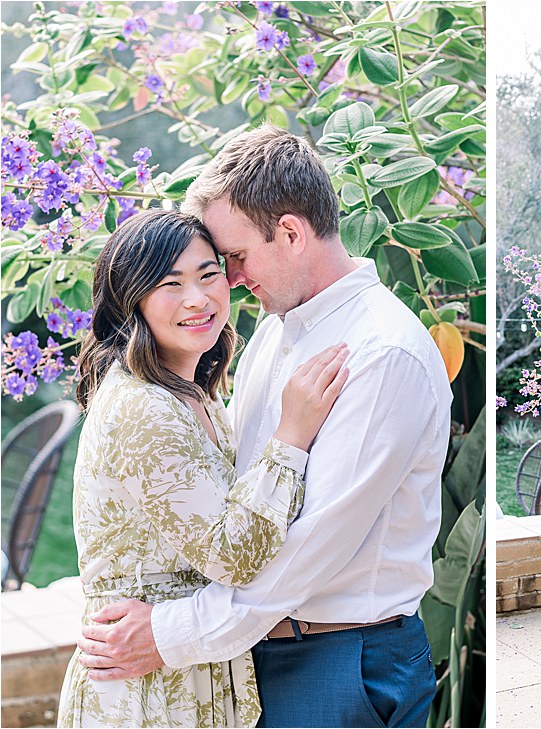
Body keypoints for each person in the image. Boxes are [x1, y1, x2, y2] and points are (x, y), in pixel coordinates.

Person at [75, 125, 453, 728]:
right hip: (254, 653)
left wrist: (170, 634)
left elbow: (308, 551)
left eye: (233, 259)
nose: (231, 278)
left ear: (292, 233)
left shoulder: (381, 353)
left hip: (337, 660)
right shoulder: (278, 330)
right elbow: (240, 507)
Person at [58, 209, 349, 727]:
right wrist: (292, 435)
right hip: (145, 689)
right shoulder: (143, 407)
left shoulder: (193, 394)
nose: (197, 298)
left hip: (186, 672)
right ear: (133, 303)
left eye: (208, 274)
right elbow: (234, 557)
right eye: (169, 284)